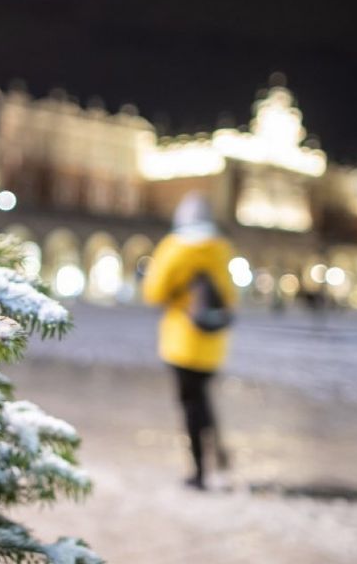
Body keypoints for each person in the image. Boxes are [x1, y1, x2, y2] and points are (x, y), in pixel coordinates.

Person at [142, 192, 237, 490]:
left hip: (182, 340)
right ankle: (216, 447)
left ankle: (199, 472)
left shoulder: (173, 248)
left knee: (190, 404)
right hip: (213, 341)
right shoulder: (221, 249)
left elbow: (153, 293)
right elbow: (231, 296)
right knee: (204, 397)